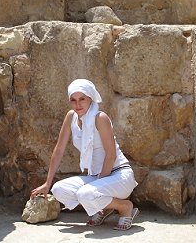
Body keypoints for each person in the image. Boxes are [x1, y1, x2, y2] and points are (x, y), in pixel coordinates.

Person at [30, 79, 139, 230]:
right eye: (73, 100)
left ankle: (125, 207)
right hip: (96, 176)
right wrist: (47, 184)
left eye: (82, 99)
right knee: (58, 190)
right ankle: (103, 207)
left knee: (85, 194)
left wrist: (97, 187)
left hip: (119, 176)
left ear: (90, 98)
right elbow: (59, 150)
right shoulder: (71, 117)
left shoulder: (100, 118)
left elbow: (111, 155)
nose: (78, 104)